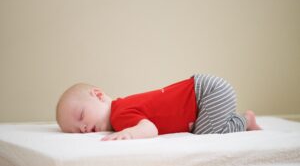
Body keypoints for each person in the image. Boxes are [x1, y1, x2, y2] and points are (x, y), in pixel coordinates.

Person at [56, 74, 261, 141]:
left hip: (206, 93)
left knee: (206, 134)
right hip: (207, 89)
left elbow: (150, 129)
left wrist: (128, 133)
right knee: (201, 128)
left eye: (81, 115)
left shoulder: (119, 115)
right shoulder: (123, 106)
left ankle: (245, 120)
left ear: (99, 96)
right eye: (75, 130)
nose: (82, 128)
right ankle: (236, 118)